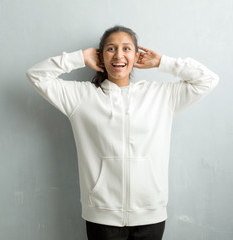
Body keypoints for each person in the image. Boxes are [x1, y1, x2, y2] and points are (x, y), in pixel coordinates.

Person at [26, 25, 219, 240]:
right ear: (100, 56)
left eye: (126, 48)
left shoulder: (160, 96)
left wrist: (163, 63)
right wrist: (79, 58)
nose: (119, 55)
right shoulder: (81, 97)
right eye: (111, 49)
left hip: (150, 215)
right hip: (102, 217)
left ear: (136, 56)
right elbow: (36, 76)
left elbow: (208, 80)